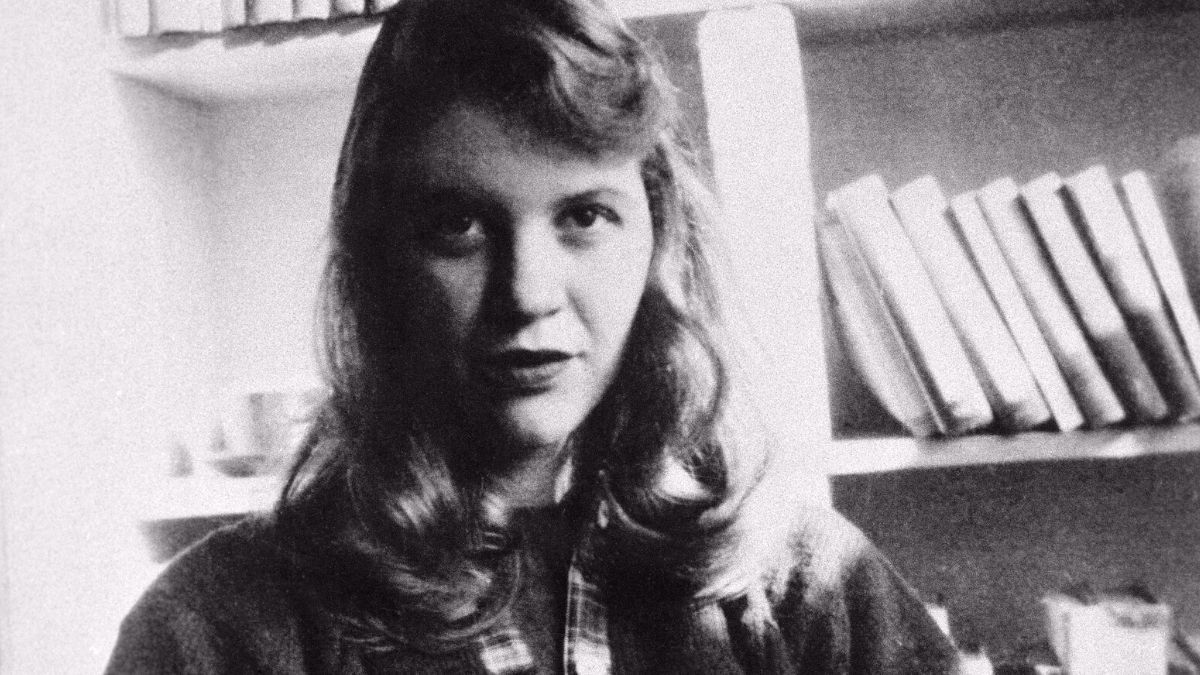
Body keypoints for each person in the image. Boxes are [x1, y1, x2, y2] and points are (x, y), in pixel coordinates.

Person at [106, 0, 958, 672]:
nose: (528, 293)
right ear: (375, 259)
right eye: (459, 226)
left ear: (657, 238)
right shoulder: (214, 629)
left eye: (584, 216)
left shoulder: (811, 590)